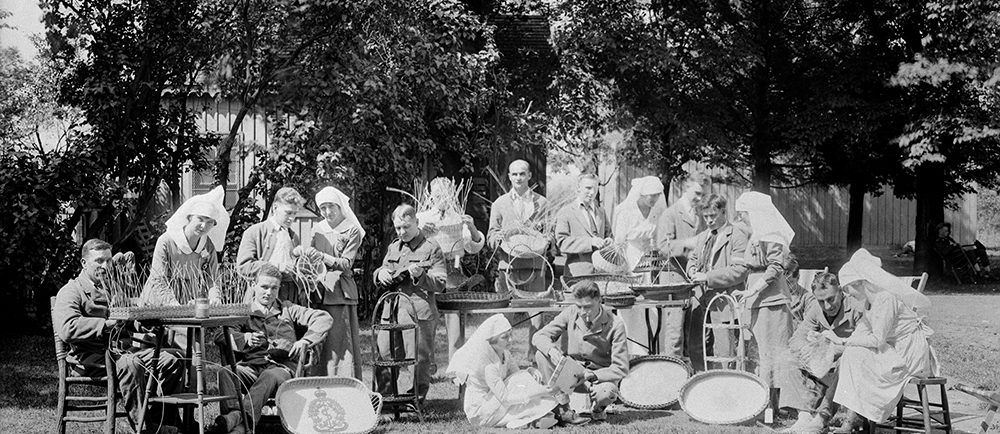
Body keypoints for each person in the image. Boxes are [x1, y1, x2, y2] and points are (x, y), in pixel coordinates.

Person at [53, 239, 184, 433]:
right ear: (83, 263)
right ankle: (144, 428)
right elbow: (67, 328)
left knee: (173, 359)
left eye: (108, 260)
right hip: (91, 359)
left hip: (122, 353)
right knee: (130, 363)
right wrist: (105, 326)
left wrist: (144, 322)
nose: (105, 266)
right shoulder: (72, 291)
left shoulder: (113, 288)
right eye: (99, 261)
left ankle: (162, 420)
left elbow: (128, 319)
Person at [824, 249, 937, 432]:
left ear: (860, 283)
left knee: (856, 355)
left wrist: (843, 342)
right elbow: (860, 335)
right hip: (892, 349)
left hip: (908, 353)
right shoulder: (870, 303)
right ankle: (854, 418)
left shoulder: (885, 298)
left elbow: (877, 340)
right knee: (853, 355)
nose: (849, 295)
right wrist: (838, 342)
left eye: (849, 290)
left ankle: (855, 418)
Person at [214, 263, 333, 433]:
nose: (269, 293)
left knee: (269, 375)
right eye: (264, 287)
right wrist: (244, 338)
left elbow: (323, 318)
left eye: (274, 288)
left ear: (279, 289)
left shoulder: (288, 309)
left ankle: (236, 420)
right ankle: (236, 423)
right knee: (226, 372)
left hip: (282, 369)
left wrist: (305, 340)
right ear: (253, 286)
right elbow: (220, 333)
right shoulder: (244, 312)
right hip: (251, 367)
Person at [374, 204, 447, 400]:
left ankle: (416, 399)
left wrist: (421, 275)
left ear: (417, 222)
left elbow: (440, 283)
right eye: (398, 228)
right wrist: (379, 274)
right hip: (392, 310)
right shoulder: (393, 247)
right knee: (385, 354)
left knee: (418, 358)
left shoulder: (431, 248)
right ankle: (386, 399)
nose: (401, 232)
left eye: (406, 227)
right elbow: (382, 269)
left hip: (418, 311)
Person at [731, 191, 795, 406]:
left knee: (771, 354)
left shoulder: (771, 234)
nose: (743, 219)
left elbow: (775, 267)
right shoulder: (757, 234)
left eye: (744, 214)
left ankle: (772, 407)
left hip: (771, 300)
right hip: (757, 299)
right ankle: (760, 403)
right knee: (758, 352)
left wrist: (754, 290)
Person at [532, 280, 629, 422]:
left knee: (608, 392)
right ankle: (562, 408)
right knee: (541, 354)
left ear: (599, 301)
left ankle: (598, 409)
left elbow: (621, 368)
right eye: (579, 307)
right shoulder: (571, 312)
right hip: (570, 375)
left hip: (596, 379)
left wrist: (594, 375)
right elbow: (539, 336)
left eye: (588, 307)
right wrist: (552, 350)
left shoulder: (615, 324)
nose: (583, 312)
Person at [779, 272, 864, 434]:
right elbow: (796, 340)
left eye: (831, 299)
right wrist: (806, 349)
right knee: (787, 359)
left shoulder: (855, 307)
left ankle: (822, 418)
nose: (827, 306)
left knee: (847, 361)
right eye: (821, 301)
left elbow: (864, 345)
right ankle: (804, 417)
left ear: (840, 290)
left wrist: (832, 349)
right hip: (821, 367)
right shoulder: (816, 309)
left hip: (848, 369)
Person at [446, 314, 560, 429]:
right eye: (505, 337)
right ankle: (526, 419)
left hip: (496, 401)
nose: (510, 340)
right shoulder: (487, 364)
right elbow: (505, 397)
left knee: (523, 378)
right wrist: (539, 392)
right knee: (521, 386)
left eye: (510, 335)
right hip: (481, 412)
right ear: (492, 340)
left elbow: (518, 376)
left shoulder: (505, 353)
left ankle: (530, 420)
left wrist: (530, 371)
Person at [487, 159, 551, 358]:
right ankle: (503, 360)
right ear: (509, 177)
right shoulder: (500, 204)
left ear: (530, 176)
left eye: (522, 174)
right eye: (514, 174)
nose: (518, 178)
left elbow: (550, 233)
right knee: (505, 319)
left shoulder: (542, 203)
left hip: (535, 266)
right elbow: (490, 236)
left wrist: (548, 239)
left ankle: (534, 359)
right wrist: (496, 239)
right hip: (508, 268)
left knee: (537, 318)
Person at [302, 186, 365, 378]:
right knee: (321, 340)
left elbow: (346, 264)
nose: (328, 212)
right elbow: (310, 262)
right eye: (323, 208)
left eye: (331, 207)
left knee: (340, 343)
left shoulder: (351, 230)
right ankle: (320, 382)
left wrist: (322, 256)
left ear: (339, 206)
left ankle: (343, 383)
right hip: (319, 291)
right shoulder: (318, 229)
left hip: (339, 293)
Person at [686, 194, 750, 371]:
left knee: (725, 351)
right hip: (701, 299)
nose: (708, 221)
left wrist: (708, 277)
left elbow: (740, 271)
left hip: (723, 303)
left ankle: (725, 385)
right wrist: (691, 270)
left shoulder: (737, 236)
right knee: (696, 347)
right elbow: (693, 258)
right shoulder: (703, 237)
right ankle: (701, 381)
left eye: (712, 216)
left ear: (724, 212)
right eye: (705, 216)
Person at [140, 186, 229, 306]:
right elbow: (158, 278)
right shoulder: (166, 241)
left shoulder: (208, 246)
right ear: (189, 217)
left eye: (209, 222)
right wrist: (172, 303)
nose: (203, 226)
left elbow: (212, 279)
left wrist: (215, 298)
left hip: (187, 299)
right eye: (200, 219)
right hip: (158, 300)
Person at [652, 172, 709, 358]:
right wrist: (688, 244)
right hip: (674, 279)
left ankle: (689, 374)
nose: (700, 198)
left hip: (695, 280)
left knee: (692, 332)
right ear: (686, 188)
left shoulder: (701, 215)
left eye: (703, 195)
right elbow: (662, 246)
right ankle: (673, 373)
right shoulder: (670, 214)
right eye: (697, 193)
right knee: (674, 333)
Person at [613, 176, 669, 356]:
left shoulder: (657, 211)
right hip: (630, 257)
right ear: (640, 194)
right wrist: (622, 268)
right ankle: (631, 351)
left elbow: (661, 234)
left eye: (656, 195)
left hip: (651, 260)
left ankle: (651, 349)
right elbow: (619, 242)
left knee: (651, 305)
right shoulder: (625, 211)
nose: (652, 199)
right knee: (631, 305)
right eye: (649, 196)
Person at [236, 186, 308, 305]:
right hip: (262, 296)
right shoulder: (255, 232)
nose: (292, 218)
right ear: (275, 208)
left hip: (289, 295)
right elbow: (243, 267)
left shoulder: (293, 237)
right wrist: (275, 266)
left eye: (295, 213)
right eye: (288, 212)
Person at [555, 173, 612, 277]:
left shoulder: (601, 212)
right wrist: (590, 242)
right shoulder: (566, 212)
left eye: (595, 188)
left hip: (602, 273)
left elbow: (609, 234)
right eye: (588, 188)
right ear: (578, 188)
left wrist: (609, 241)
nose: (592, 192)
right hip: (578, 274)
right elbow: (562, 243)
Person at [783, 253, 816, 325]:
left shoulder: (807, 298)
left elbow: (810, 323)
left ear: (798, 277)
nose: (786, 285)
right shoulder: (776, 295)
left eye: (790, 282)